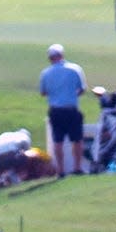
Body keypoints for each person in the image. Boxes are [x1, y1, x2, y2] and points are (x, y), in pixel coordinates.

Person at [39, 43, 89, 175]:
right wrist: (71, 95)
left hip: (55, 110)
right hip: (71, 109)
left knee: (58, 141)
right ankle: (77, 167)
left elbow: (43, 92)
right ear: (62, 55)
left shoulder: (46, 73)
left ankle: (60, 169)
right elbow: (82, 89)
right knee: (77, 140)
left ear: (50, 58)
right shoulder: (75, 69)